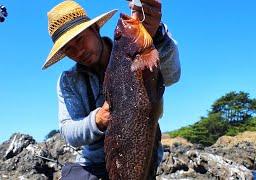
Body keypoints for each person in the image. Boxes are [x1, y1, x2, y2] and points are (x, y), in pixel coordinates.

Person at [42, 0, 180, 179]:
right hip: (92, 165)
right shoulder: (68, 81)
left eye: (79, 39)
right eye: (68, 49)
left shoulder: (132, 51)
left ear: (95, 29)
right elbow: (68, 132)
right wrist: (98, 120)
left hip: (143, 156)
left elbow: (171, 76)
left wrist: (158, 36)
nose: (78, 51)